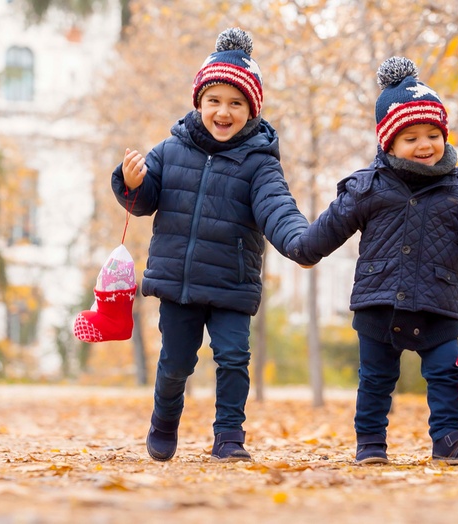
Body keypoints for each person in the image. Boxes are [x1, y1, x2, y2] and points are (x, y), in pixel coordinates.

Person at [286, 56, 458, 466]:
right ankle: (370, 442)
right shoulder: (369, 187)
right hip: (379, 297)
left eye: (432, 134)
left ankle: (450, 438)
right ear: (388, 142)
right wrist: (304, 251)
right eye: (411, 137)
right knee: (375, 378)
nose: (424, 144)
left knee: (445, 373)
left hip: (437, 299)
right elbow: (334, 223)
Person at [112, 28, 308, 463]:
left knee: (235, 358)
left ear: (252, 111)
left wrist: (300, 241)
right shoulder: (169, 150)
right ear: (199, 103)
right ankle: (164, 422)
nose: (224, 111)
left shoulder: (259, 162)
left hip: (231, 283)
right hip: (178, 282)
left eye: (236, 103)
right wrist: (131, 183)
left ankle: (229, 436)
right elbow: (143, 202)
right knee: (176, 364)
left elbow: (278, 207)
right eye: (214, 101)